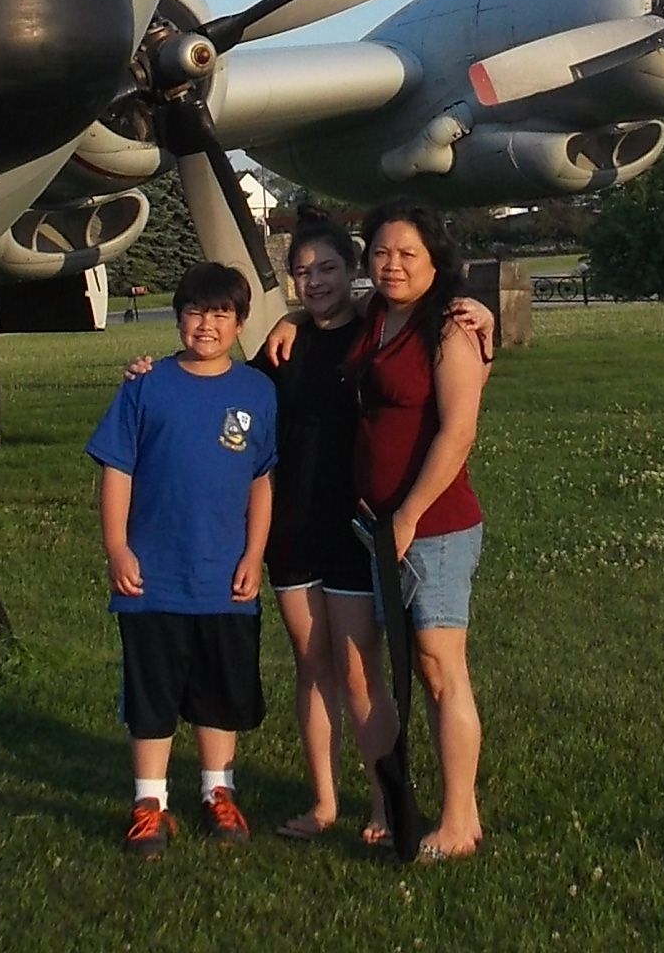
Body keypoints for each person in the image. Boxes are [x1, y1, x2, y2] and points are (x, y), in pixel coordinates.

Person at [269, 200, 492, 860]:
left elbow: (459, 432)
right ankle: (459, 810)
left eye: (407, 254)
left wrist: (410, 514)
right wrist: (287, 316)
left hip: (432, 526)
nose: (392, 264)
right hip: (380, 527)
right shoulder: (380, 317)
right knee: (420, 669)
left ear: (434, 260)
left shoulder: (448, 326)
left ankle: (455, 825)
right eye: (383, 253)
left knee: (440, 667)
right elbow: (325, 309)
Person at [86, 259, 277, 856]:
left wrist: (254, 553)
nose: (207, 325)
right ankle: (150, 802)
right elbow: (117, 470)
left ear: (241, 322)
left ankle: (218, 792)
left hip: (224, 577)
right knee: (154, 691)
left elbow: (262, 480)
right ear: (177, 318)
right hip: (154, 578)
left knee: (218, 690)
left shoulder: (256, 390)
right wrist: (117, 546)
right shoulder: (145, 386)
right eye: (195, 312)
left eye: (222, 314)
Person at [257, 214, 375, 842]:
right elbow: (231, 401)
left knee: (359, 673)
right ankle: (325, 802)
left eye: (327, 268)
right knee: (312, 666)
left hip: (355, 529)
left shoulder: (376, 333)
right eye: (303, 273)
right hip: (293, 530)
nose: (316, 281)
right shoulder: (282, 347)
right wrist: (149, 376)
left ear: (352, 270)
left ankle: (384, 803)